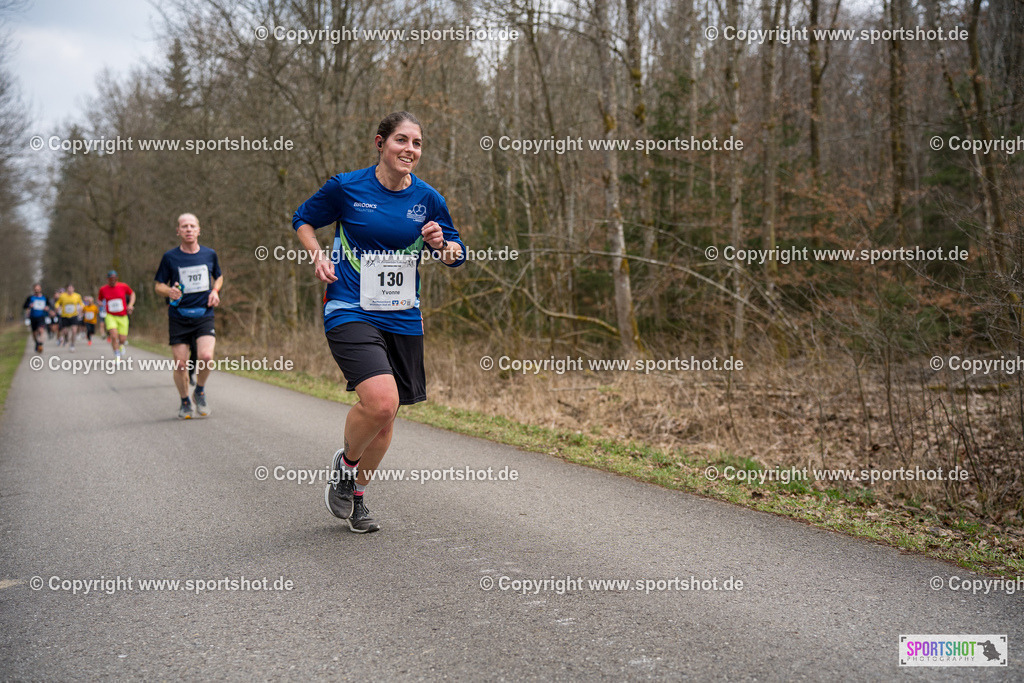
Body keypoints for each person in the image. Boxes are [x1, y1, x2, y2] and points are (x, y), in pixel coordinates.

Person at [292, 111, 466, 533]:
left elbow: (456, 254)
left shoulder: (428, 199)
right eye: (401, 140)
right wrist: (317, 254)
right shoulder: (347, 187)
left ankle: (357, 498)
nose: (410, 149)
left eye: (417, 143)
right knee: (381, 402)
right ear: (380, 143)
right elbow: (303, 219)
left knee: (388, 419)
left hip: (403, 316)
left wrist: (443, 245)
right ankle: (345, 465)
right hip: (349, 307)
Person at [154, 213, 223, 419]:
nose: (189, 229)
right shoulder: (170, 257)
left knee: (206, 357)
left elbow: (218, 277)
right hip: (179, 316)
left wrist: (215, 291)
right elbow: (158, 285)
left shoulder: (209, 254)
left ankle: (199, 390)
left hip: (204, 314)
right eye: (184, 226)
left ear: (199, 230)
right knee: (181, 364)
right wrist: (169, 292)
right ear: (178, 231)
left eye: (192, 226)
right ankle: (185, 401)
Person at [97, 270, 135, 358]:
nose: (113, 280)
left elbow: (132, 294)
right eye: (111, 279)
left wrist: (130, 305)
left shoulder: (123, 286)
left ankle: (121, 345)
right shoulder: (103, 289)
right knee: (114, 335)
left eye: (114, 278)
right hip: (110, 316)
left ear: (117, 278)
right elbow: (99, 299)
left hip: (123, 316)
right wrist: (100, 304)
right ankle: (117, 354)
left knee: (122, 339)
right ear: (107, 279)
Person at [22, 284, 52, 353]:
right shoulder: (30, 298)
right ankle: (37, 343)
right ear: (34, 290)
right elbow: (24, 306)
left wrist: (47, 308)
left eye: (38, 289)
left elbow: (49, 305)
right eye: (35, 289)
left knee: (41, 330)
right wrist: (29, 305)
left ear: (40, 289)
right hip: (33, 317)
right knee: (34, 334)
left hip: (41, 317)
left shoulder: (45, 297)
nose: (37, 290)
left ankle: (40, 344)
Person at [54, 284, 83, 352]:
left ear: (73, 289)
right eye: (69, 288)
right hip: (65, 316)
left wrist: (81, 307)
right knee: (65, 332)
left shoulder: (77, 296)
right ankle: (66, 339)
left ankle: (72, 345)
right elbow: (57, 303)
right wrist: (57, 306)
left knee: (74, 331)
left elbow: (81, 303)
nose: (70, 289)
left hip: (74, 315)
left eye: (71, 288)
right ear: (67, 289)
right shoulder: (62, 296)